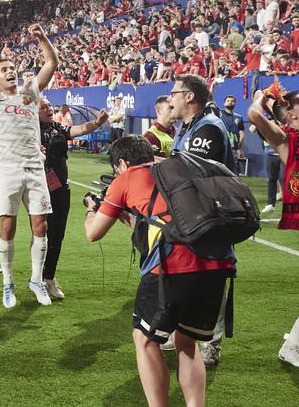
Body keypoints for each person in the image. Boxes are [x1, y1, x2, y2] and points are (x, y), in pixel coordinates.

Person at [85, 135, 234, 407]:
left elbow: (93, 233)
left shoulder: (127, 177)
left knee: (144, 340)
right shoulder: (178, 167)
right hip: (218, 261)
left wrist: (91, 209)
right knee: (187, 345)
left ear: (121, 163)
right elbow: (164, 222)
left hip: (173, 265)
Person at [0, 23, 59, 308]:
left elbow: (52, 62)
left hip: (35, 169)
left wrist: (42, 38)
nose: (10, 71)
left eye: (12, 67)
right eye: (4, 69)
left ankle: (36, 280)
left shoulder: (30, 92)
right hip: (10, 169)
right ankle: (8, 283)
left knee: (41, 226)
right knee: (7, 227)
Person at [246, 88, 299, 370]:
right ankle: (291, 346)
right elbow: (254, 114)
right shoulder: (287, 138)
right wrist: (263, 97)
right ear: (289, 114)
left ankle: (292, 343)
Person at [167, 73, 234, 365]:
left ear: (189, 97)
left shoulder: (207, 128)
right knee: (186, 275)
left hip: (211, 219)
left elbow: (189, 173)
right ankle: (182, 332)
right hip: (191, 216)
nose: (172, 98)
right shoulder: (189, 125)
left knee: (212, 277)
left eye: (175, 93)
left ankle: (212, 343)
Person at [38, 100, 108, 300]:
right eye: (43, 106)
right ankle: (38, 278)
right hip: (39, 189)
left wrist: (97, 122)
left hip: (60, 187)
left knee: (57, 235)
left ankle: (48, 277)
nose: (49, 108)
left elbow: (78, 130)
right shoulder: (29, 130)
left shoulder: (57, 127)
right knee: (43, 234)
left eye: (50, 105)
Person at [219, 95, 246, 174]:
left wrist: (240, 148)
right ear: (224, 103)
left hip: (233, 149)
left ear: (235, 104)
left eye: (232, 101)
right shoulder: (219, 114)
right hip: (221, 147)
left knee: (233, 173)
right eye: (228, 101)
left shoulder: (239, 118)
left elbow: (242, 134)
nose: (230, 102)